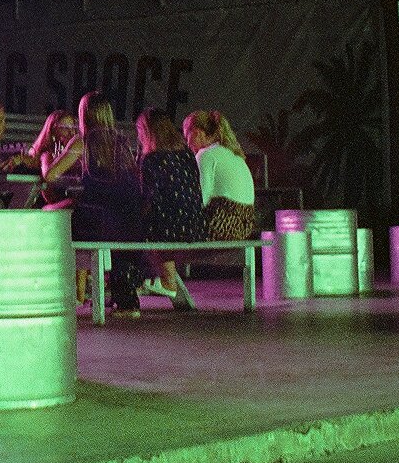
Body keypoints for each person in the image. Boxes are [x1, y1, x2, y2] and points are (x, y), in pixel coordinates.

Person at [49, 92, 144, 317]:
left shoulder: (82, 141)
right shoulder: (121, 142)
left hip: (95, 220)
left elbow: (51, 175)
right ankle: (126, 300)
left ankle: (63, 290)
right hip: (127, 218)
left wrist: (44, 160)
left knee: (49, 214)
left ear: (84, 115)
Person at [132, 108, 202, 307]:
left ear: (147, 132)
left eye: (139, 132)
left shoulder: (151, 158)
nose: (138, 137)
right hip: (195, 224)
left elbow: (146, 198)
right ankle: (159, 281)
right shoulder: (187, 154)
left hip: (169, 228)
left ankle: (138, 283)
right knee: (155, 220)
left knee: (135, 226)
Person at [183, 109, 257, 240]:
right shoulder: (233, 154)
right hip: (245, 226)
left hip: (222, 224)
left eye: (187, 136)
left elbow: (202, 199)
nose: (188, 144)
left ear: (197, 132)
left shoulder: (206, 155)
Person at [27, 109, 78, 205]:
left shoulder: (74, 152)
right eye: (65, 128)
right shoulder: (46, 154)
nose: (71, 132)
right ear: (53, 131)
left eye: (73, 127)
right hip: (52, 207)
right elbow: (49, 176)